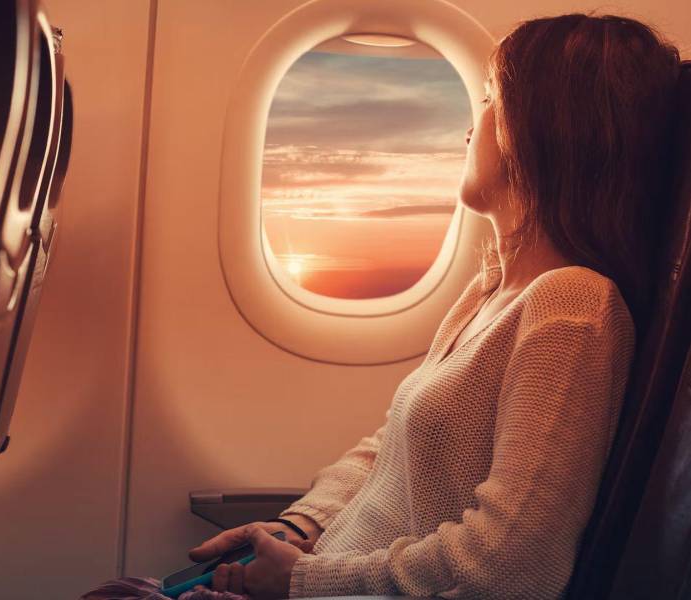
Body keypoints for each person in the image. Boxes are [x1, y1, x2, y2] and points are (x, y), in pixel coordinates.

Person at [184, 13, 682, 600]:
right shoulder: (490, 293)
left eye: (491, 99)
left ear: (545, 128)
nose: (468, 131)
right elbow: (390, 447)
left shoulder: (573, 309)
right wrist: (300, 526)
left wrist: (303, 581)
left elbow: (513, 565)